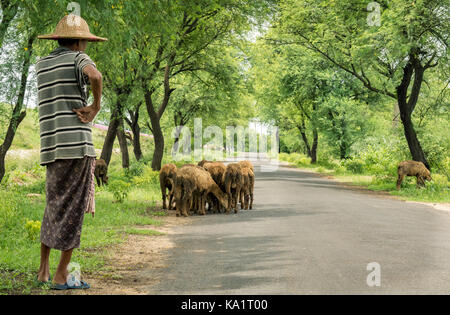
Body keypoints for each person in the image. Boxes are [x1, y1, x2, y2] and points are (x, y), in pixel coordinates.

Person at [36, 15, 107, 290]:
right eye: (86, 42)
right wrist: (96, 106)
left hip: (51, 148)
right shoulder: (78, 59)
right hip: (76, 146)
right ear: (79, 42)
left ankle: (43, 271)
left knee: (53, 206)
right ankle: (61, 275)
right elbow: (95, 76)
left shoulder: (41, 64)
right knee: (74, 210)